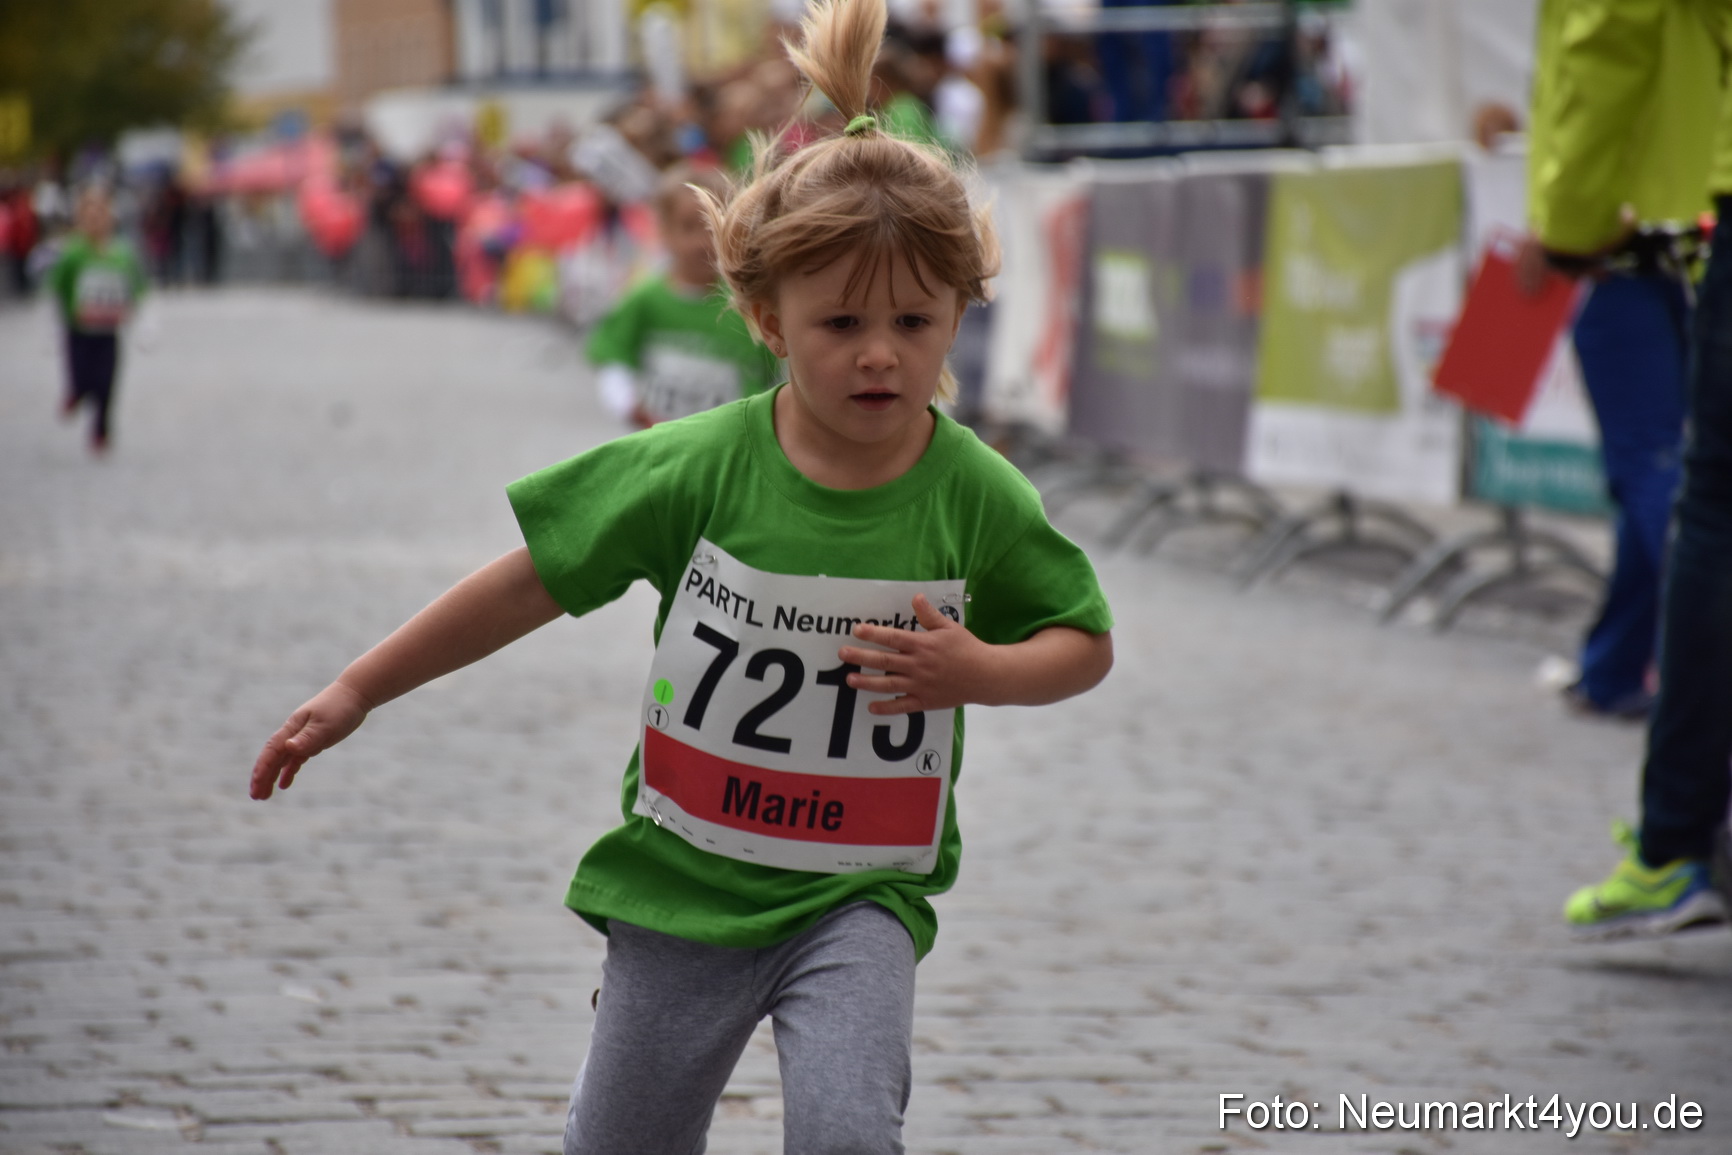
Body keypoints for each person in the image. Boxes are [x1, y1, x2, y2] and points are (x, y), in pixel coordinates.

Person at [247, 1, 1116, 1149]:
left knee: (850, 1136)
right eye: (840, 320)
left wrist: (980, 669)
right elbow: (528, 581)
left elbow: (1081, 641)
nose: (879, 352)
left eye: (916, 320)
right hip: (683, 887)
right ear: (764, 317)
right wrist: (359, 688)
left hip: (857, 897)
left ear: (961, 311)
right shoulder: (693, 467)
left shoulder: (974, 491)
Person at [1551, 0, 1732, 940]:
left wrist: (1568, 218)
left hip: (1653, 219)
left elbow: (1607, 30)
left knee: (1701, 500)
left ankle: (1675, 843)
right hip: (1682, 221)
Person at [1520, 0, 1717, 724]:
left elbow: (1603, 60)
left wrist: (1566, 225)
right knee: (1663, 466)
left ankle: (1693, 676)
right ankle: (1611, 665)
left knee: (1658, 471)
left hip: (1624, 233)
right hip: (1696, 217)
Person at [586, 162, 781, 428]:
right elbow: (612, 356)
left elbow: (776, 375)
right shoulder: (645, 299)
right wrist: (629, 405)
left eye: (713, 227)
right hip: (663, 441)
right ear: (664, 231)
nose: (703, 242)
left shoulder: (750, 305)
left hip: (730, 445)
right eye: (689, 227)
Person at [48, 186, 147, 454]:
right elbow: (57, 286)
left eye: (100, 214)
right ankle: (77, 394)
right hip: (79, 327)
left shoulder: (121, 252)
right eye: (89, 215)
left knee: (107, 380)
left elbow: (136, 285)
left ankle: (101, 429)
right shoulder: (72, 253)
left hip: (108, 327)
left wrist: (136, 312)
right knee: (81, 375)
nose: (95, 220)